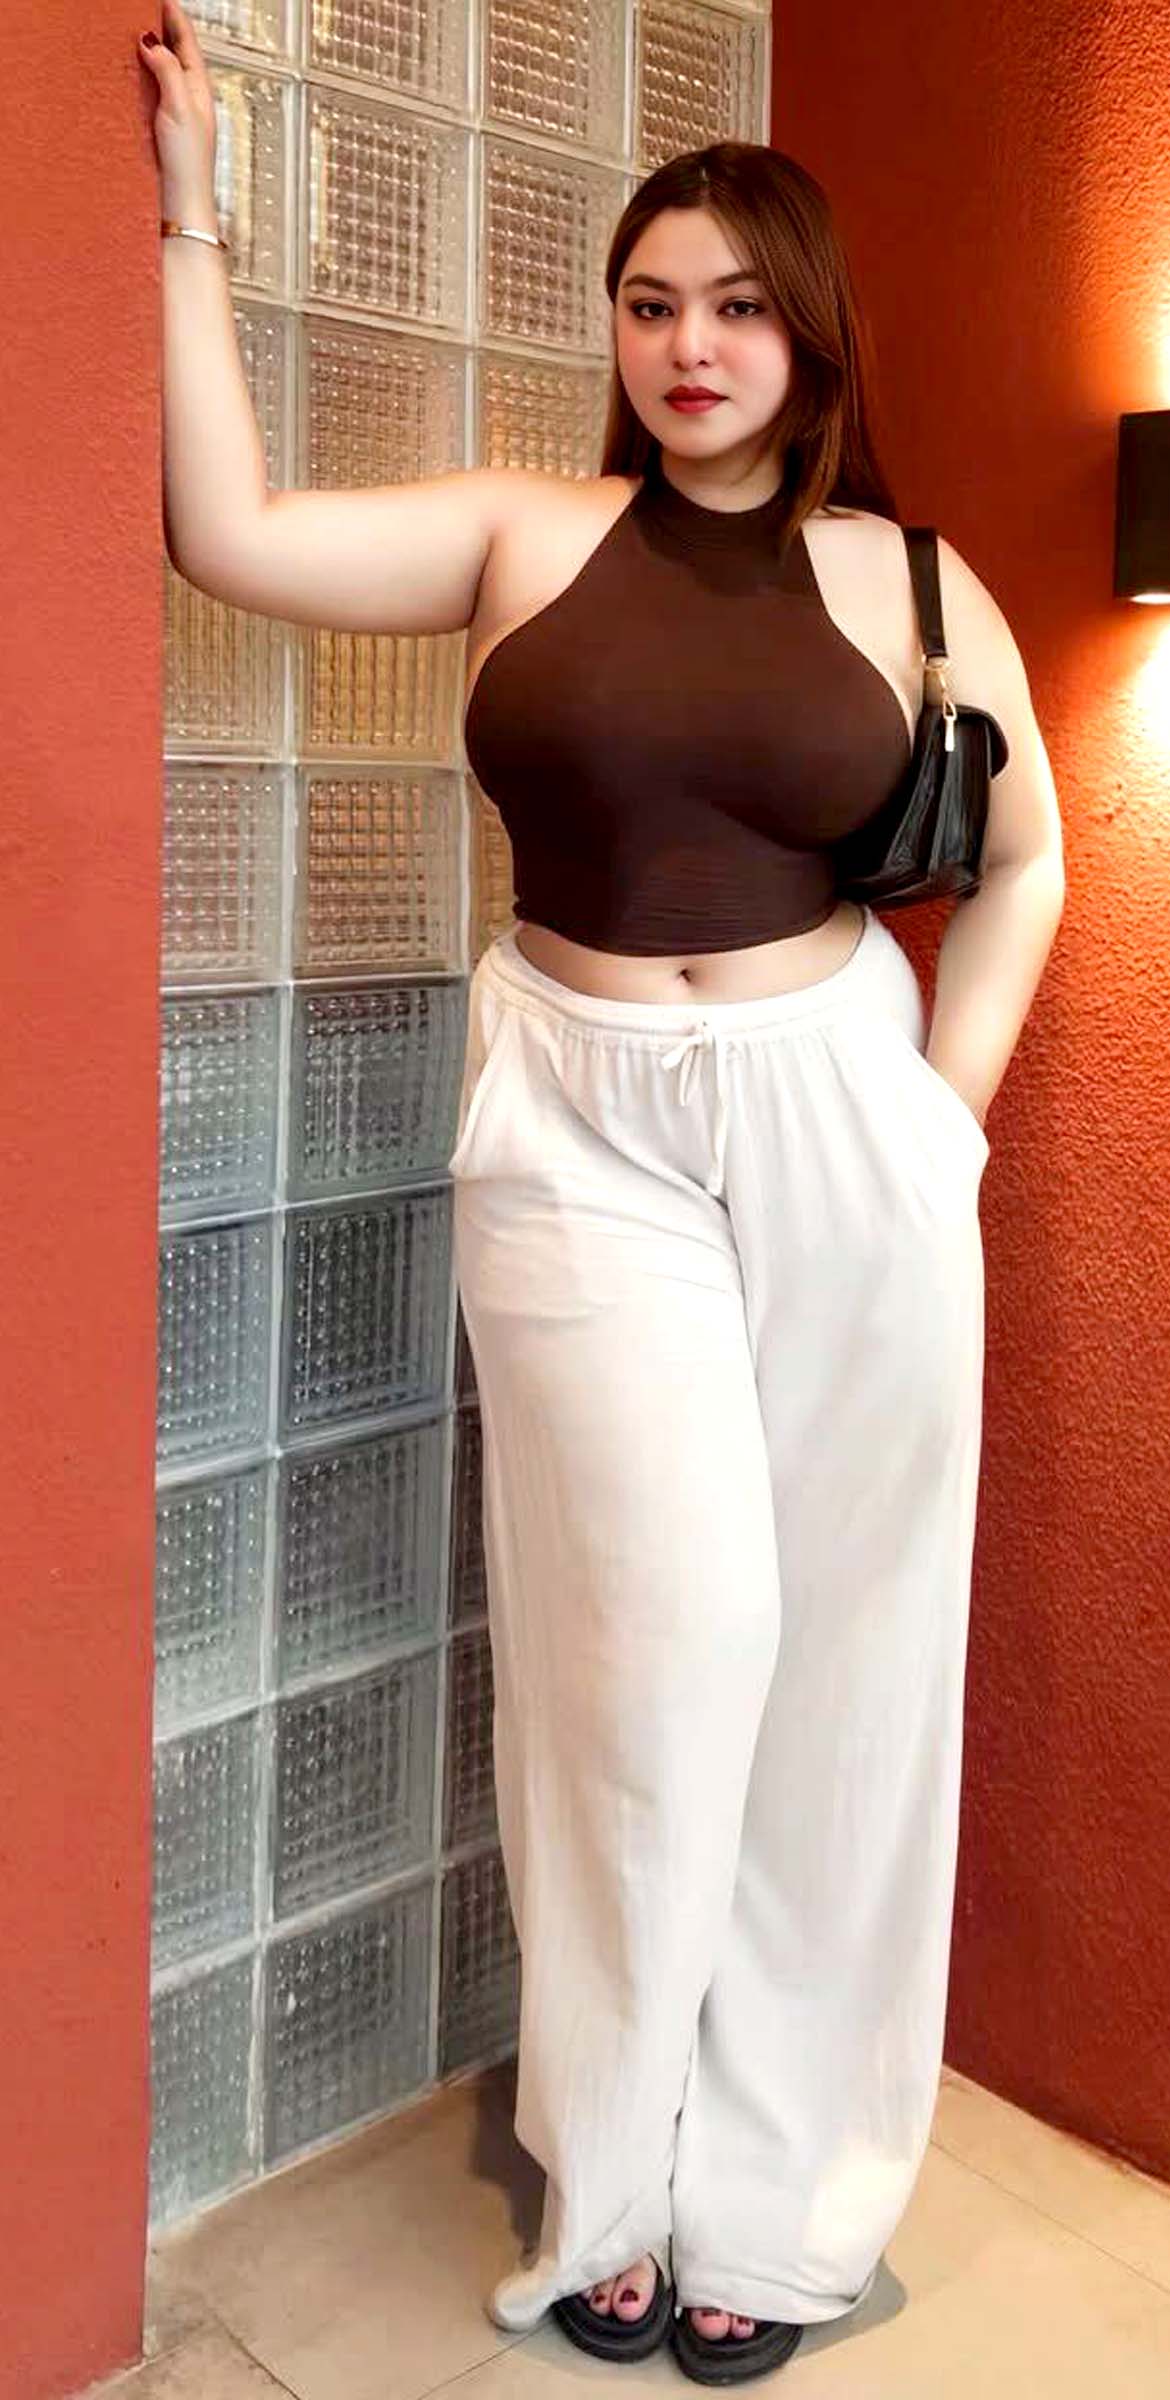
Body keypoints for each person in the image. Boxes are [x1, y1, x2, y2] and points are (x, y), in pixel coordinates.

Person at [142, 8, 1065, 2382]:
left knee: (847, 1655)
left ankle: (779, 2194)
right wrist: (192, 224)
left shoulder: (908, 579)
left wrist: (943, 1124)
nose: (689, 344)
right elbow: (226, 535)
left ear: (811, 334)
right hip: (573, 1113)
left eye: (737, 303)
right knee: (652, 1641)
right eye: (651, 301)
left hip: (838, 1108)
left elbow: (1031, 861)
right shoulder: (518, 530)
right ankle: (618, 2168)